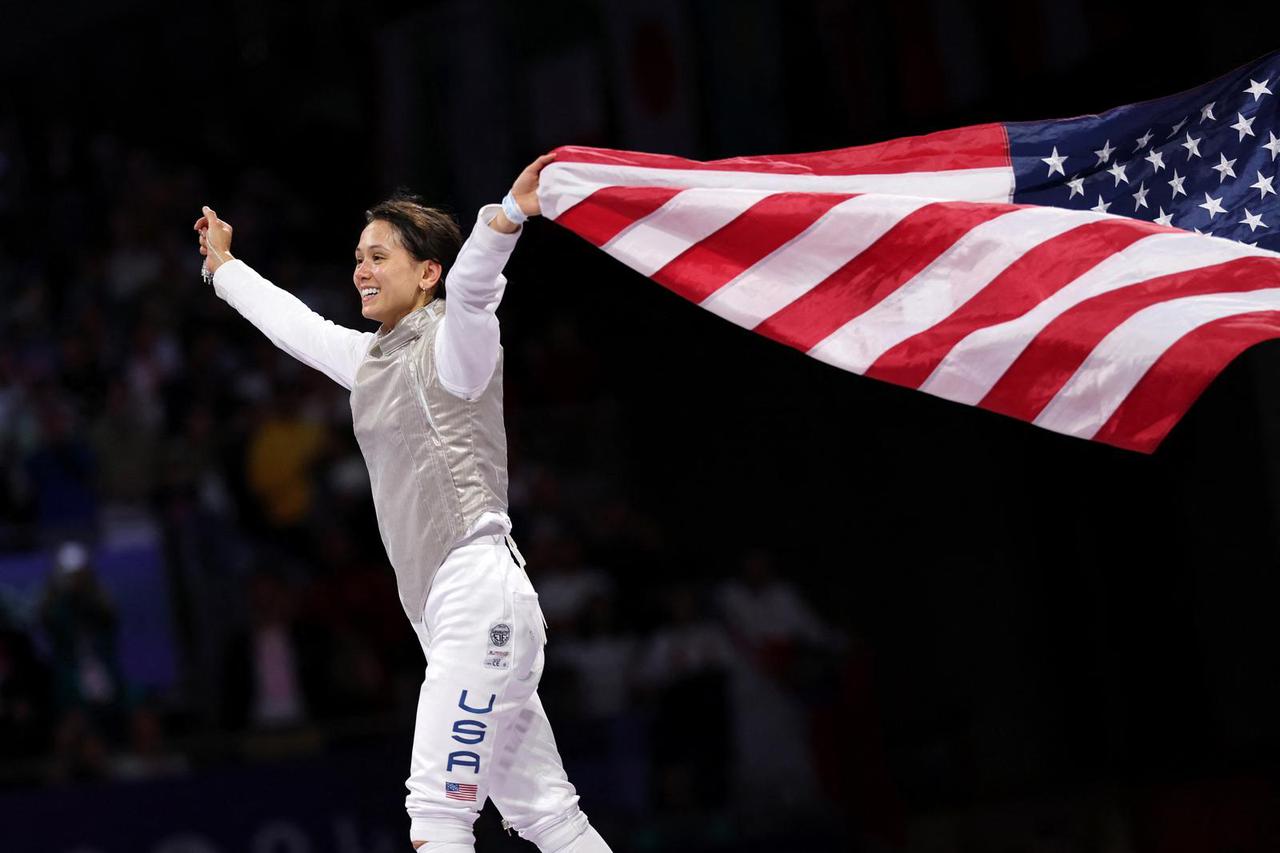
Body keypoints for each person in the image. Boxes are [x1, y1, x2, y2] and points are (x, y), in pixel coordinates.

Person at [194, 153, 612, 853]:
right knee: (549, 816)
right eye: (358, 256)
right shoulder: (370, 363)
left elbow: (476, 288)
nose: (361, 268)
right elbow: (293, 325)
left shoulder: (458, 344)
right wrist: (223, 267)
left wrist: (506, 217)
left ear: (426, 273)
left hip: (478, 595)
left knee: (437, 816)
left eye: (379, 255)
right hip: (453, 613)